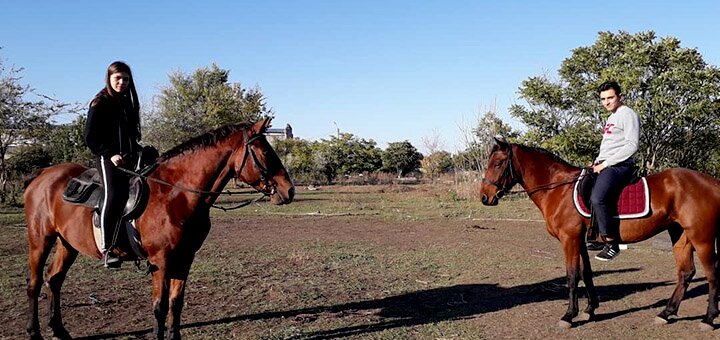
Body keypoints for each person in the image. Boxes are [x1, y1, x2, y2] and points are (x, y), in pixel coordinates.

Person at [84, 61, 142, 268]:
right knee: (114, 194)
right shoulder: (100, 103)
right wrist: (110, 154)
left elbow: (130, 136)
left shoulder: (127, 103)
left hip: (129, 156)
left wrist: (139, 149)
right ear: (109, 78)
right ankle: (107, 248)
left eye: (126, 79)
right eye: (118, 78)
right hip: (106, 158)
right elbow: (90, 137)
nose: (122, 82)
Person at [590, 81, 640, 261]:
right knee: (584, 188)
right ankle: (596, 235)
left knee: (598, 197)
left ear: (620, 96)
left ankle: (612, 244)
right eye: (603, 99)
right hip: (605, 163)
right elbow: (609, 146)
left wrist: (605, 164)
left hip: (620, 165)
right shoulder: (611, 117)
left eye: (610, 98)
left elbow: (631, 145)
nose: (606, 102)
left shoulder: (627, 114)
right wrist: (596, 162)